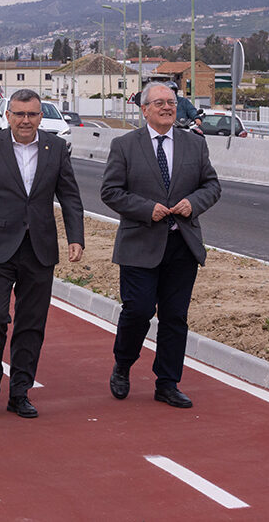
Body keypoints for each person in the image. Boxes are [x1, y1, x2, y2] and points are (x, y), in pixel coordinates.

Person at [0, 89, 85, 419]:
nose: (25, 120)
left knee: (32, 323)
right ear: (8, 116)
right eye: (19, 114)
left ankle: (20, 392)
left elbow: (70, 197)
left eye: (32, 114)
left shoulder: (56, 148)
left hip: (40, 248)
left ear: (40, 116)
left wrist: (76, 238)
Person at [101, 82, 221, 408]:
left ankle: (167, 383)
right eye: (159, 103)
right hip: (140, 243)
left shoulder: (194, 145)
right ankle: (123, 365)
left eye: (171, 101)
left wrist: (193, 204)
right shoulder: (125, 145)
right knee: (138, 310)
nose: (167, 107)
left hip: (181, 245)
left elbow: (212, 185)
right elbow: (110, 191)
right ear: (144, 109)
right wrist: (145, 209)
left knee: (174, 317)